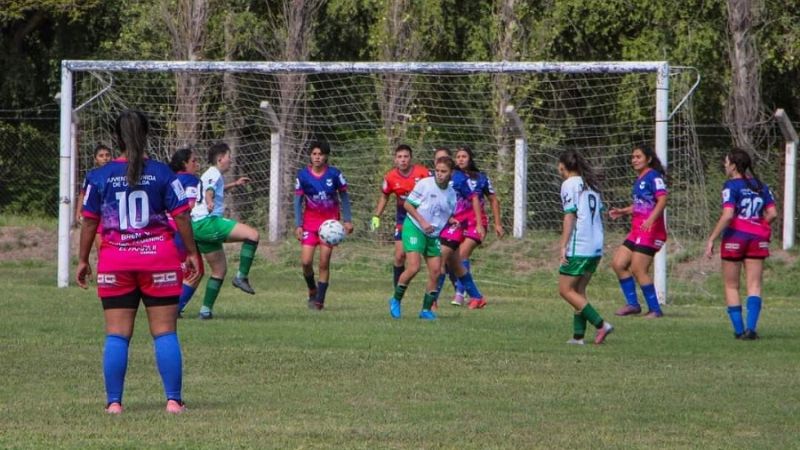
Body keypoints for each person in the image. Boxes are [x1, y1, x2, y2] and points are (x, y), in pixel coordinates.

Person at [76, 109, 201, 414]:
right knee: (165, 331)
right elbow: (182, 215)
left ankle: (114, 403)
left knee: (117, 334)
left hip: (116, 262)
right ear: (146, 135)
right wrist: (192, 253)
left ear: (116, 138)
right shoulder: (162, 173)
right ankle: (173, 400)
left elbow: (89, 222)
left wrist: (82, 260)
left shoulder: (98, 176)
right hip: (158, 260)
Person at [388, 155, 486, 321]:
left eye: (443, 171)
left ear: (451, 173)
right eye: (437, 171)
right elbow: (407, 205)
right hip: (414, 227)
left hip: (432, 233)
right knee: (414, 267)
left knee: (436, 270)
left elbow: (442, 213)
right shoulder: (425, 184)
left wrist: (451, 220)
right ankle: (396, 300)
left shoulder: (451, 194)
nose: (439, 174)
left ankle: (426, 310)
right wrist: (423, 222)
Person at [704, 149, 777, 340]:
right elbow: (773, 214)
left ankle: (738, 330)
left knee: (731, 285)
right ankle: (751, 329)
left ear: (734, 165)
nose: (724, 165)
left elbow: (728, 215)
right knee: (754, 285)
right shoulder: (761, 185)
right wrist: (757, 225)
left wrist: (712, 238)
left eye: (726, 162)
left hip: (736, 237)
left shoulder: (731, 185)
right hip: (757, 239)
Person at [191, 142, 260, 320]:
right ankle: (241, 277)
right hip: (208, 222)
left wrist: (234, 184)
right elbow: (209, 190)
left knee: (219, 270)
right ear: (220, 158)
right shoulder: (214, 174)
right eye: (229, 157)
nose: (230, 160)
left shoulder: (211, 174)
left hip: (198, 225)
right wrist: (210, 201)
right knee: (253, 235)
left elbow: (215, 188)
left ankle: (205, 311)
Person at [557, 150, 614, 345]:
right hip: (595, 245)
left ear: (562, 166)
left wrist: (563, 245)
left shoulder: (569, 184)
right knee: (578, 291)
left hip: (579, 244)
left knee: (565, 290)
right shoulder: (591, 185)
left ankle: (601, 324)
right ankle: (578, 336)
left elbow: (570, 215)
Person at [609, 145, 668, 318]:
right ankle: (633, 305)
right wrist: (623, 211)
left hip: (651, 231)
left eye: (638, 156)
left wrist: (651, 219)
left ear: (648, 159)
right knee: (618, 264)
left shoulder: (654, 176)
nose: (634, 160)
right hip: (637, 230)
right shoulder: (639, 179)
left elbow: (663, 199)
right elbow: (641, 205)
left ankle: (655, 310)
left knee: (638, 269)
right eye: (633, 157)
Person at [441, 145, 504, 308]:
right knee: (450, 259)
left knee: (462, 254)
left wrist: (497, 223)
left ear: (470, 158)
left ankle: (460, 294)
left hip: (476, 222)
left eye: (464, 156)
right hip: (457, 222)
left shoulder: (481, 178)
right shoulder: (451, 176)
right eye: (458, 156)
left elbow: (493, 200)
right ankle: (473, 295)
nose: (461, 159)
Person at [294, 140, 354, 310]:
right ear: (310, 156)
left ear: (326, 156)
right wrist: (298, 224)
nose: (317, 157)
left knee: (323, 262)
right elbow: (297, 201)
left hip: (330, 226)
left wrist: (347, 220)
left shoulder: (334, 174)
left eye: (320, 154)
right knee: (306, 262)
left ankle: (319, 301)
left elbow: (344, 197)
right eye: (314, 154)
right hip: (310, 224)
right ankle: (312, 289)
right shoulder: (303, 175)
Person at [370, 144, 430, 287]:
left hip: (423, 218)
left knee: (431, 256)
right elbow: (384, 196)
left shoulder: (423, 173)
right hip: (403, 218)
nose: (403, 160)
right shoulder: (390, 177)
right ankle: (398, 289)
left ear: (411, 158)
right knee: (399, 255)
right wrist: (376, 216)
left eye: (406, 157)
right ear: (395, 159)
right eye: (399, 157)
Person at [168, 148, 205, 316]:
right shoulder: (191, 180)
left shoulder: (170, 179)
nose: (196, 164)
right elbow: (189, 206)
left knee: (174, 271)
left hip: (165, 230)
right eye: (193, 161)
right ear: (184, 164)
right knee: (196, 271)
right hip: (181, 231)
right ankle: (175, 308)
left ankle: (167, 306)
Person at [75, 143, 112, 251]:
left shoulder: (117, 172)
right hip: (98, 216)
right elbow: (83, 193)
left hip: (113, 215)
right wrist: (78, 212)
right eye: (101, 156)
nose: (105, 158)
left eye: (107, 155)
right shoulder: (91, 175)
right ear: (95, 159)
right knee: (101, 250)